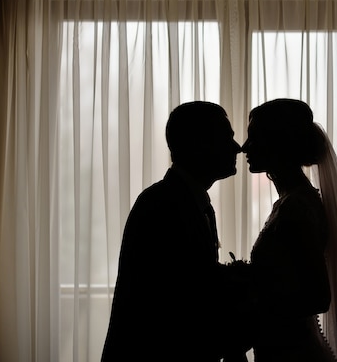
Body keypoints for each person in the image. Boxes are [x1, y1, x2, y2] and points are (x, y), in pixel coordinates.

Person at [101, 101, 253, 362]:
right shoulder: (160, 204)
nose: (237, 148)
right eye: (226, 138)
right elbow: (175, 300)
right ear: (198, 144)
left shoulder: (191, 201)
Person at [241, 98, 337, 362]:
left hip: (295, 354)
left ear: (278, 143)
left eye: (255, 138)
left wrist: (252, 304)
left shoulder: (296, 207)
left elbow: (318, 297)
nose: (244, 147)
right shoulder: (290, 201)